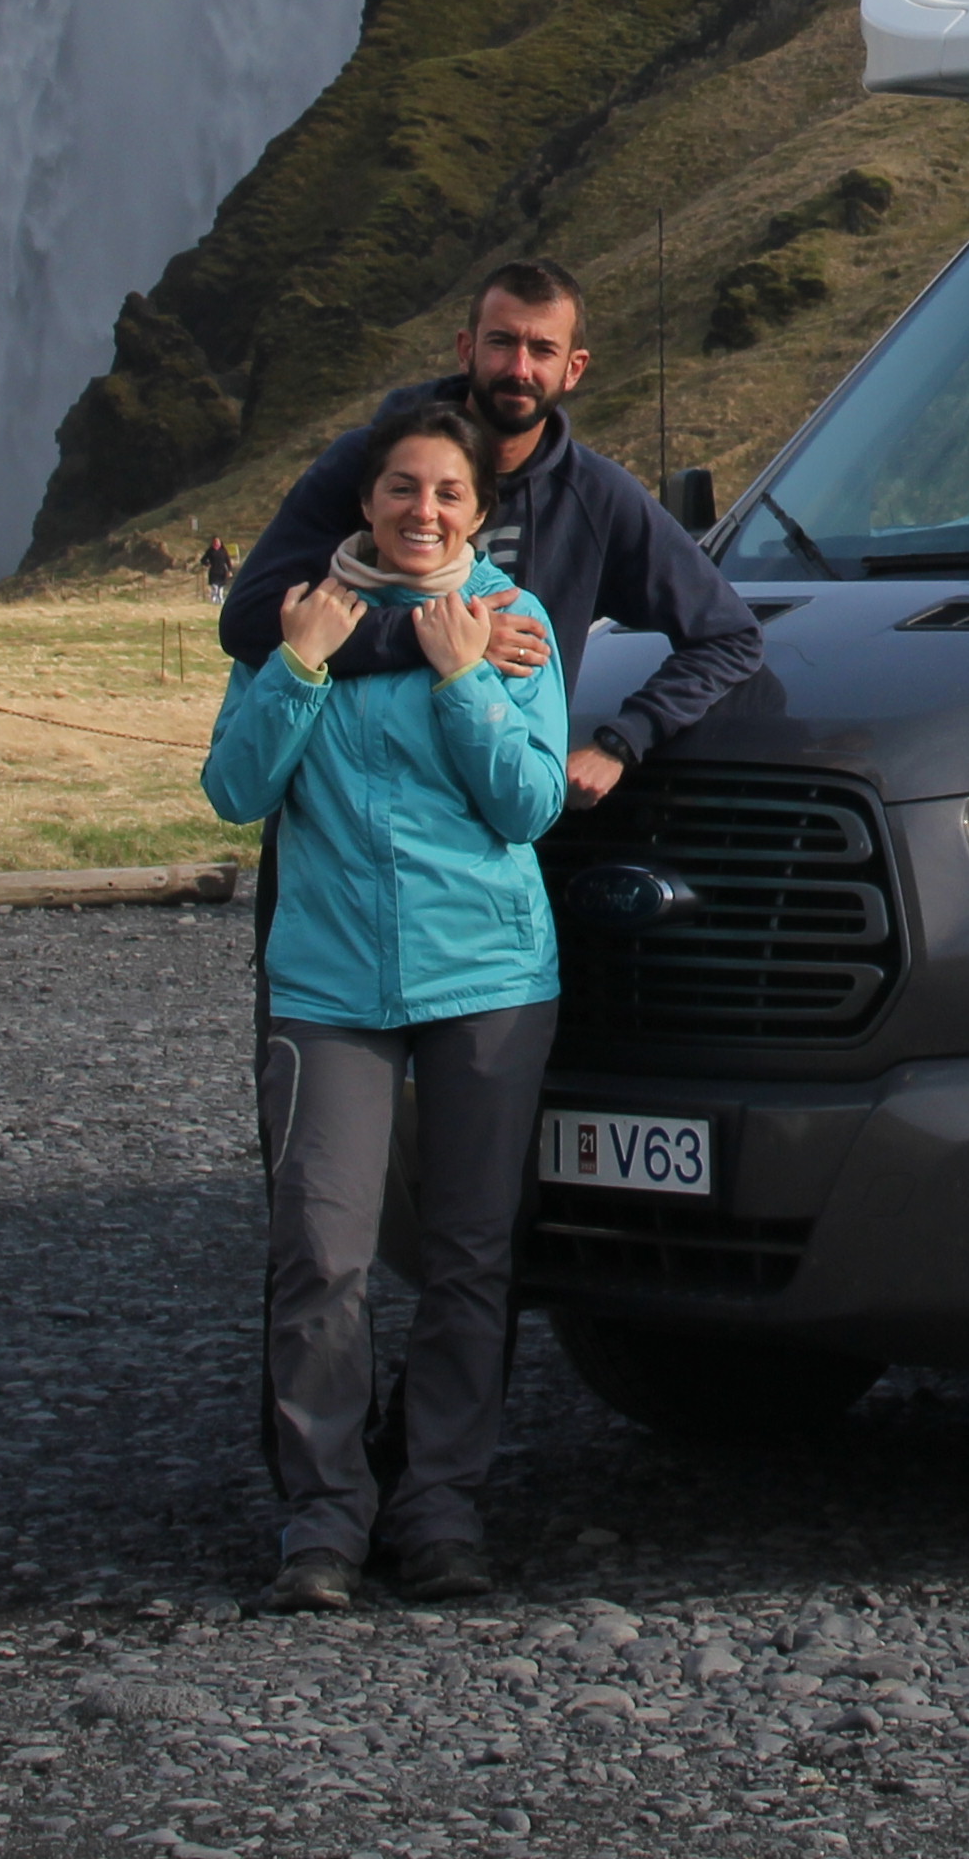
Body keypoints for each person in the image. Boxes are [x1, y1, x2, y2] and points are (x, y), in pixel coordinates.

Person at [203, 398, 570, 1613]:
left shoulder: (514, 629)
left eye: (449, 493)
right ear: (363, 501)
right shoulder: (302, 622)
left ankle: (442, 1506)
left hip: (490, 977)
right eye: (402, 488)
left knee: (472, 1257)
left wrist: (465, 680)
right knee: (321, 1253)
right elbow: (237, 786)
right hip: (330, 984)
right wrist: (301, 666)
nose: (424, 511)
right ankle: (325, 1515)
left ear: (480, 511)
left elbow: (529, 805)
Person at [215, 259, 768, 806]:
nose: (519, 368)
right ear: (466, 348)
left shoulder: (596, 497)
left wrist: (623, 742)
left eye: (543, 350)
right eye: (501, 342)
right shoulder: (366, 466)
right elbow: (248, 622)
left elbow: (728, 636)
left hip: (492, 837)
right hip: (335, 842)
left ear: (574, 368)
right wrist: (431, 638)